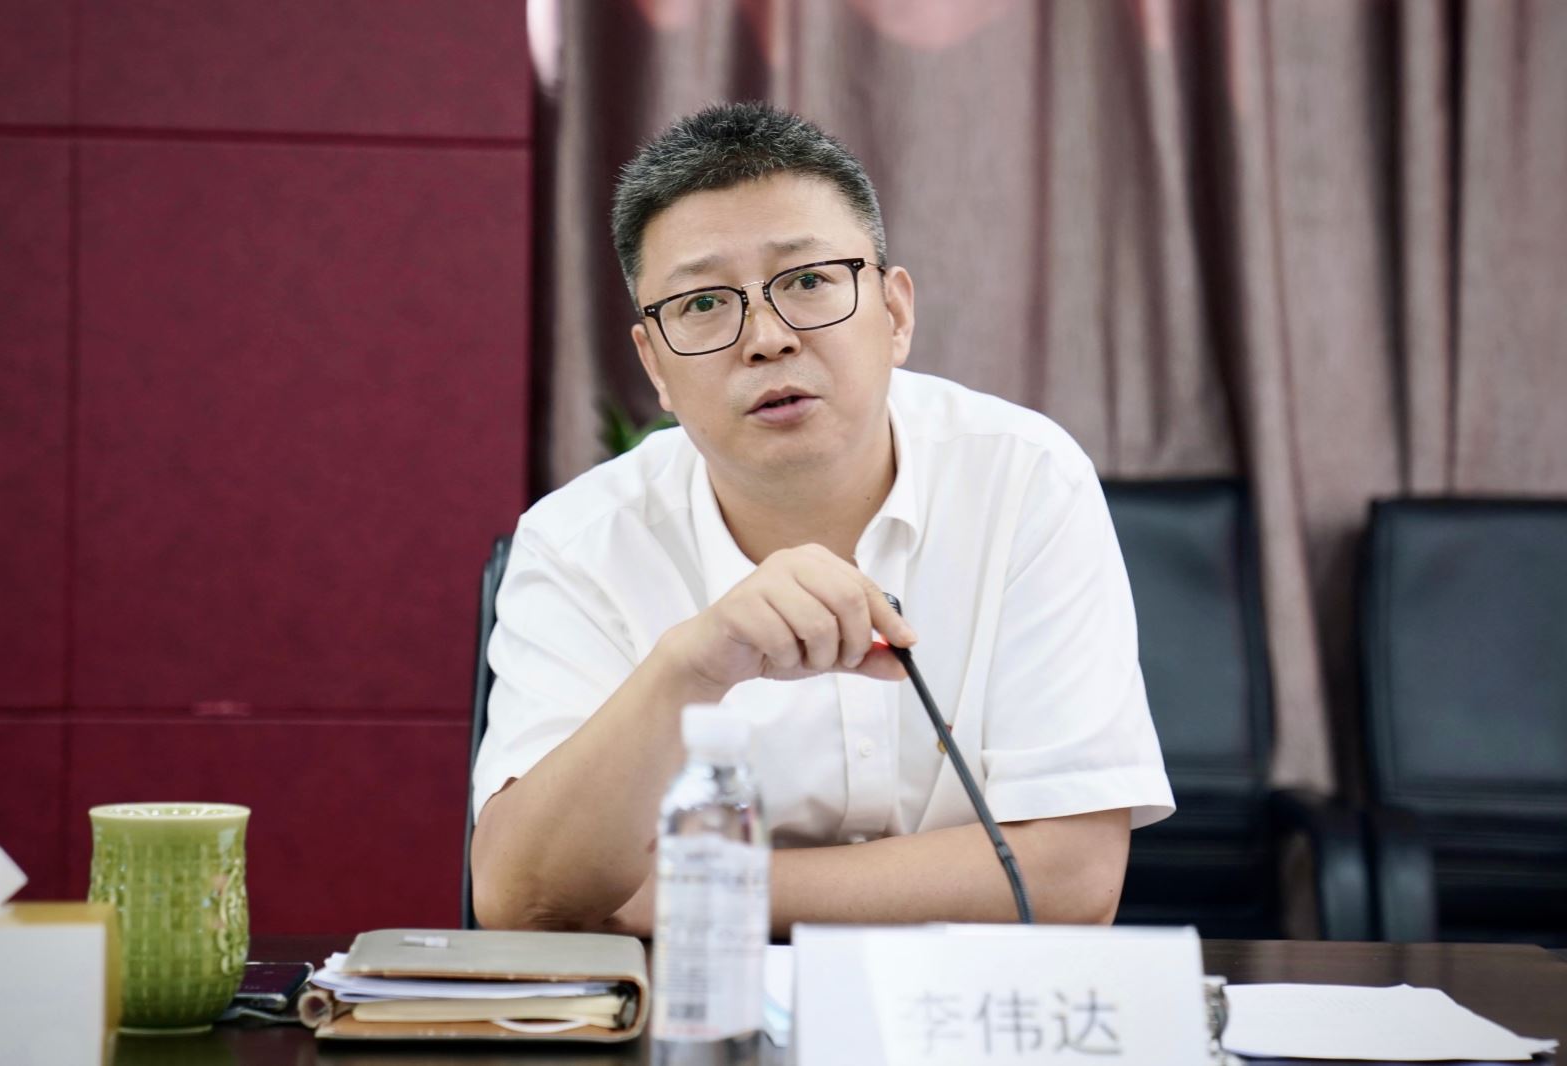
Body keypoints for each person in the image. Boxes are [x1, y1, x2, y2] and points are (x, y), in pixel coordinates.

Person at [470, 102, 1173, 935]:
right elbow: (522, 898)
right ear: (654, 366)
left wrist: (685, 888)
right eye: (703, 303)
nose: (766, 339)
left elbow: (1071, 880)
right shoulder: (578, 542)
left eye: (807, 282)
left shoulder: (1024, 478)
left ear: (895, 314)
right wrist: (688, 669)